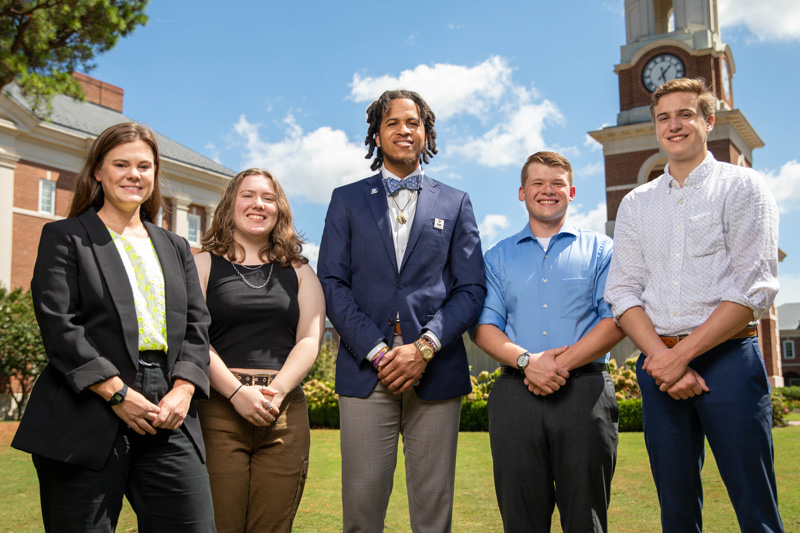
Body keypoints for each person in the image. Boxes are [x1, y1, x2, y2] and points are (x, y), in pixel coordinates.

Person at [11, 122, 215, 532]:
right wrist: (116, 392)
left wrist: (185, 387)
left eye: (144, 166)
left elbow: (197, 324)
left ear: (155, 174)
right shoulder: (65, 237)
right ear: (98, 172)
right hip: (86, 406)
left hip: (168, 409)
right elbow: (59, 324)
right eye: (121, 164)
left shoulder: (175, 247)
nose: (133, 174)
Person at [605, 78, 784, 532]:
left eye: (685, 114)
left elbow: (753, 290)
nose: (674, 125)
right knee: (676, 509)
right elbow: (623, 292)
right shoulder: (636, 204)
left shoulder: (743, 187)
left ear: (708, 120)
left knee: (755, 505)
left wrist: (677, 358)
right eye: (663, 117)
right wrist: (663, 358)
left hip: (729, 363)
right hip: (659, 367)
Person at [317, 89, 485, 532]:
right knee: (362, 509)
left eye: (413, 122)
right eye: (392, 122)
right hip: (364, 366)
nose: (403, 130)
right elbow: (332, 284)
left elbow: (470, 288)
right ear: (376, 134)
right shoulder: (346, 199)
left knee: (433, 512)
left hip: (436, 366)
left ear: (426, 133)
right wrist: (375, 350)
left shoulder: (456, 202)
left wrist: (426, 346)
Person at [473, 151, 624, 532]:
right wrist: (528, 362)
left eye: (557, 183)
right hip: (514, 396)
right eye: (537, 183)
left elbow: (615, 320)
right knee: (521, 520)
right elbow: (484, 327)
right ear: (522, 193)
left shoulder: (603, 250)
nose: (547, 190)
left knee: (585, 519)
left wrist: (557, 365)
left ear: (571, 191)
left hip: (585, 396)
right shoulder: (497, 257)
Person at [193, 168, 325, 532]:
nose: (258, 204)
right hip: (217, 411)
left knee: (273, 526)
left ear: (279, 209)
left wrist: (276, 392)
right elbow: (194, 337)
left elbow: (309, 339)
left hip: (282, 414)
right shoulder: (202, 265)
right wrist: (236, 393)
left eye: (268, 197)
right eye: (248, 195)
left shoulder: (300, 272)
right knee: (221, 524)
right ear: (230, 205)